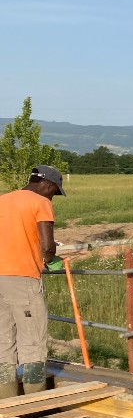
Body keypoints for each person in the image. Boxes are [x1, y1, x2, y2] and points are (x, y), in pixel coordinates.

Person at [0, 165, 66, 399]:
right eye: (55, 192)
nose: (53, 197)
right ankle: (34, 405)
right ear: (47, 184)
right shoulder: (40, 203)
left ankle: (6, 402)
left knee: (3, 341)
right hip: (23, 278)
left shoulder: (3, 199)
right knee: (33, 341)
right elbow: (47, 246)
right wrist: (51, 259)